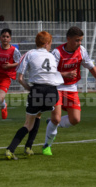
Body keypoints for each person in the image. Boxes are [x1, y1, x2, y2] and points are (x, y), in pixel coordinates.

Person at [42, 26, 96, 155]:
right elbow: (49, 73)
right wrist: (65, 74)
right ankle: (46, 146)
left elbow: (91, 67)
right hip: (56, 88)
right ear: (68, 39)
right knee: (57, 118)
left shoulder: (81, 51)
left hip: (72, 88)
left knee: (75, 120)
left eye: (81, 40)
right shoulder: (57, 53)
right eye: (77, 40)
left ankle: (53, 123)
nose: (79, 43)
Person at [5, 31, 64, 160]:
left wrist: (29, 89)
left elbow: (19, 78)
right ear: (47, 43)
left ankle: (10, 149)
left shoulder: (30, 54)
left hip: (38, 89)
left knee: (28, 124)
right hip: (52, 92)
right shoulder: (52, 56)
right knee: (38, 115)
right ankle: (28, 147)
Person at [0, 28, 21, 128]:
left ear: (10, 39)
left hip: (6, 77)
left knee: (0, 97)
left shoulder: (14, 50)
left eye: (7, 37)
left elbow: (19, 62)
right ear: (0, 38)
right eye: (3, 36)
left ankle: (3, 105)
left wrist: (10, 65)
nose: (5, 38)